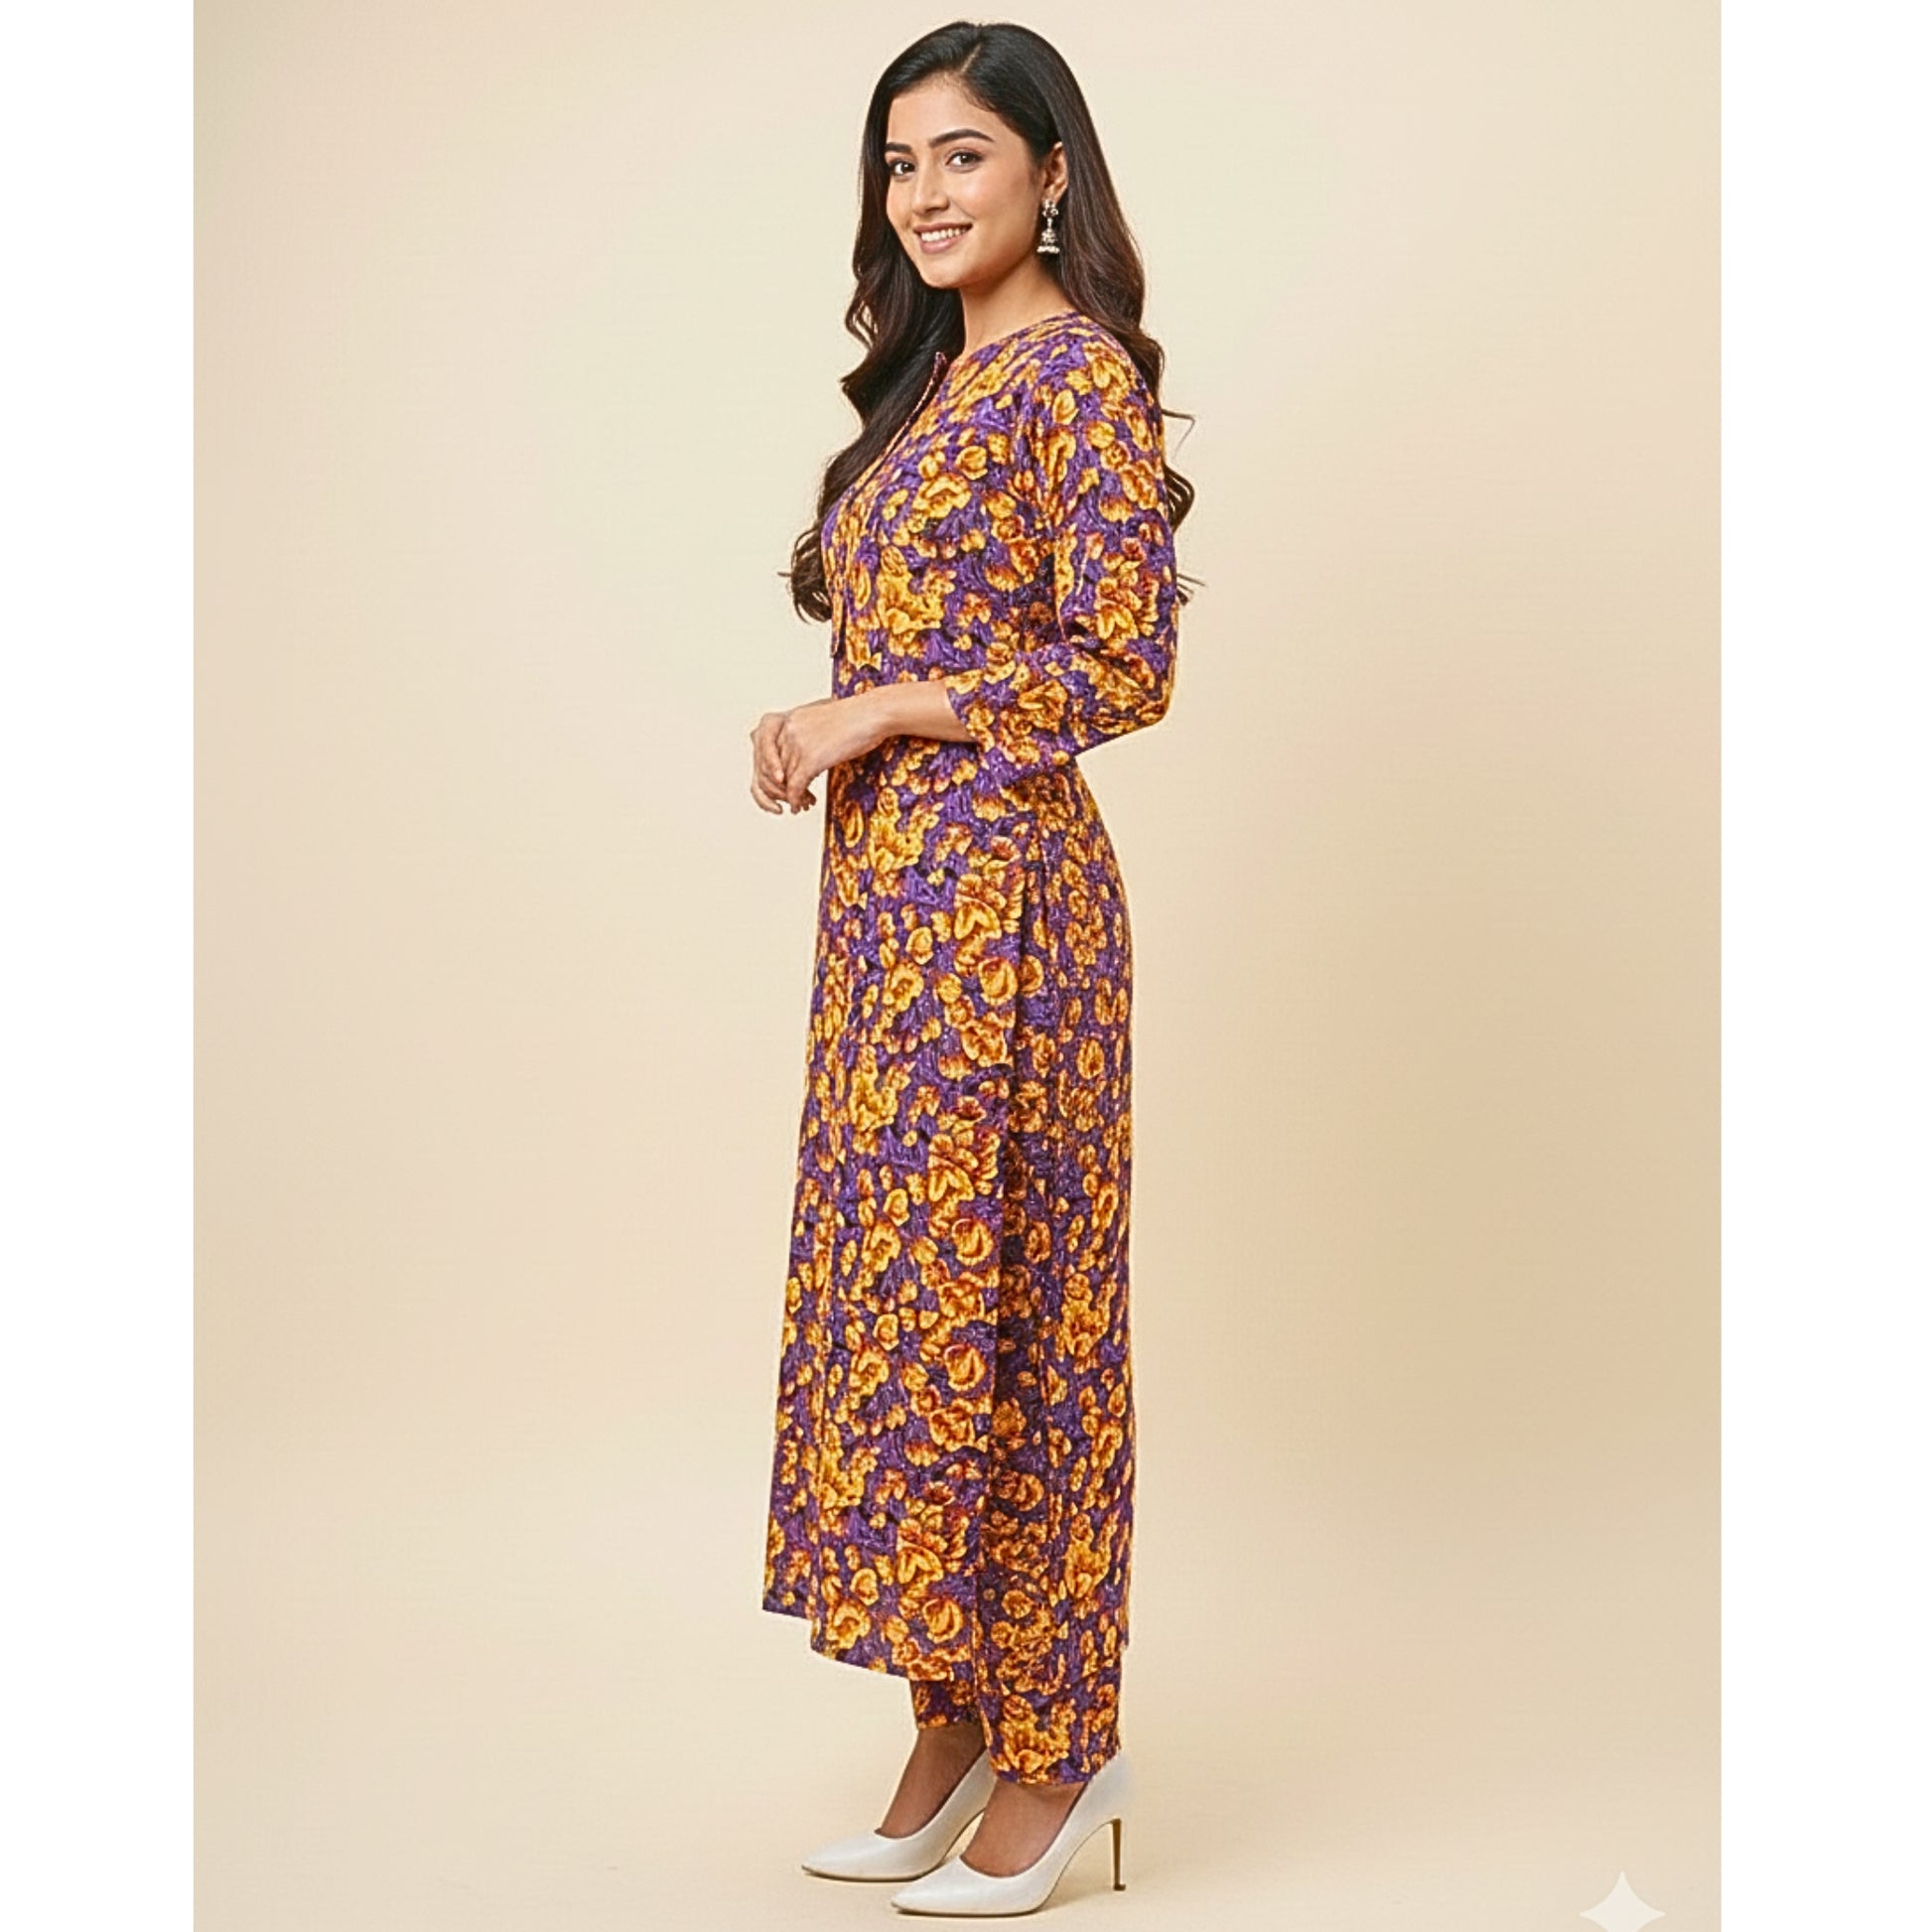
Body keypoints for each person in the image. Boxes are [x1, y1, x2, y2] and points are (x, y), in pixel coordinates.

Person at [749, 22, 1193, 1917]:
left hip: (1009, 920)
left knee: (1016, 1316)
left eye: (962, 160)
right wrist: (829, 728)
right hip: (888, 932)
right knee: (913, 1320)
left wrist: (883, 710)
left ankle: (1055, 1740)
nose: (924, 197)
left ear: (1050, 176)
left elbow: (1124, 665)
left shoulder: (1074, 379)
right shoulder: (933, 390)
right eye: (899, 164)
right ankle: (947, 1724)